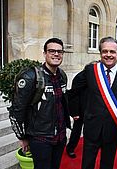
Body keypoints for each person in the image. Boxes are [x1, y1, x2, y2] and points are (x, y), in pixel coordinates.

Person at [69, 36, 117, 169]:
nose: (108, 55)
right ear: (100, 53)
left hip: (113, 128)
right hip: (92, 126)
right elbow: (73, 91)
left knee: (107, 163)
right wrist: (75, 112)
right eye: (105, 51)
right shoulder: (91, 71)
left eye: (112, 52)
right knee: (87, 163)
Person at [9, 38, 71, 169]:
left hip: (60, 137)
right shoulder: (31, 76)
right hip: (40, 139)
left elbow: (63, 104)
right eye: (52, 51)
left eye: (59, 51)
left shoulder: (62, 76)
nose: (56, 54)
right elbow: (16, 110)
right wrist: (22, 137)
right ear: (44, 54)